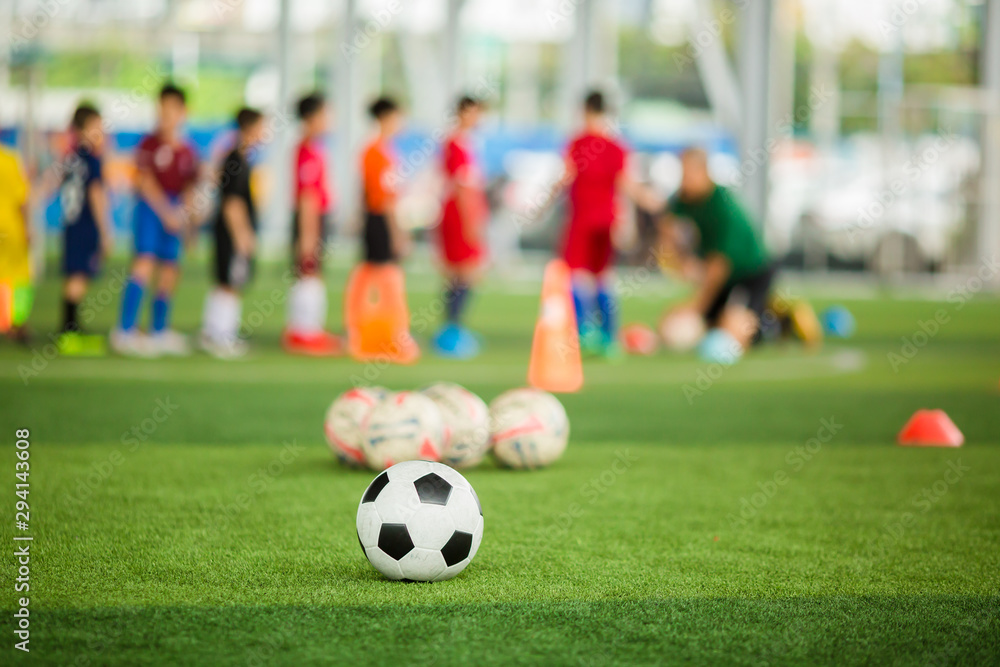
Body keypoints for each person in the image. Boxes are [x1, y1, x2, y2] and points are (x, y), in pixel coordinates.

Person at [660, 147, 820, 359]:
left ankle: (782, 322)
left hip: (753, 270)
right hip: (726, 275)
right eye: (682, 173)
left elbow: (718, 268)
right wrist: (681, 259)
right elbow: (666, 226)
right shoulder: (685, 198)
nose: (684, 180)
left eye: (689, 174)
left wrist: (696, 305)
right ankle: (762, 314)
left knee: (741, 333)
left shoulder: (724, 208)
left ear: (704, 172)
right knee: (710, 321)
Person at [559, 90, 660, 359]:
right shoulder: (616, 146)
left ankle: (583, 333)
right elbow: (625, 184)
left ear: (585, 110)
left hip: (583, 219)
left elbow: (565, 178)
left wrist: (541, 203)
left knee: (577, 276)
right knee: (603, 277)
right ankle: (609, 337)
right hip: (606, 220)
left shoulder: (578, 143)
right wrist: (645, 202)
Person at [112, 82, 201, 357]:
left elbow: (189, 190)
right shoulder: (149, 144)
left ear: (184, 112)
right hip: (152, 209)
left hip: (175, 211)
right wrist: (166, 213)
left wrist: (189, 227)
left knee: (170, 270)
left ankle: (159, 331)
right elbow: (145, 182)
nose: (166, 116)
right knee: (144, 263)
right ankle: (125, 331)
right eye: (162, 110)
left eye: (173, 110)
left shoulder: (188, 151)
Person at [199, 107, 266, 359]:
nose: (264, 132)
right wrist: (242, 234)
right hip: (231, 230)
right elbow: (232, 202)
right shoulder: (236, 160)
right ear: (249, 128)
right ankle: (221, 335)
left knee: (226, 282)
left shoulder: (238, 158)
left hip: (227, 230)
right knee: (231, 282)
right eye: (261, 126)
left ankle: (214, 331)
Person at [283, 92, 341, 356]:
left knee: (312, 273)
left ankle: (309, 329)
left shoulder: (314, 148)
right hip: (311, 219)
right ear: (311, 118)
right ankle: (303, 331)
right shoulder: (306, 150)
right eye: (325, 114)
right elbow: (307, 196)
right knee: (308, 273)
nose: (329, 120)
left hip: (317, 218)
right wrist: (308, 235)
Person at [432, 95, 489, 359]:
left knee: (462, 272)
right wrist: (471, 222)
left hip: (460, 213)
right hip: (459, 215)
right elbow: (462, 188)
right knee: (464, 271)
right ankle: (452, 330)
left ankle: (455, 327)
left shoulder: (466, 143)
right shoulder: (456, 144)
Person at [56, 103, 114, 356]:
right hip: (86, 224)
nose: (100, 131)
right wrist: (105, 230)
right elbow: (96, 194)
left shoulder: (71, 158)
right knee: (79, 276)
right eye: (96, 126)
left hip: (71, 224)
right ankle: (69, 332)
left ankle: (71, 329)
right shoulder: (91, 159)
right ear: (82, 129)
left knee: (75, 275)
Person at [360, 96, 408, 264]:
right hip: (380, 219)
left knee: (377, 271)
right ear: (385, 117)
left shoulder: (385, 150)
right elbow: (384, 198)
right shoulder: (376, 152)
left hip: (379, 217)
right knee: (382, 271)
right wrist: (396, 232)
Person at [0, 142, 32, 343]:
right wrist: (27, 227)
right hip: (10, 227)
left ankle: (3, 322)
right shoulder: (10, 160)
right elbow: (22, 198)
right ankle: (17, 323)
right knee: (19, 276)